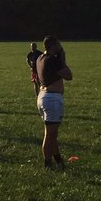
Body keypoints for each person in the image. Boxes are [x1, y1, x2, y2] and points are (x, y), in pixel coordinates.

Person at [36, 36, 73, 169]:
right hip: (52, 99)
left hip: (43, 96)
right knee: (49, 134)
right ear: (53, 46)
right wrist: (62, 60)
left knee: (53, 134)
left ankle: (58, 161)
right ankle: (47, 163)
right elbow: (69, 75)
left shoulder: (40, 58)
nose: (60, 47)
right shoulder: (53, 60)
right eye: (58, 45)